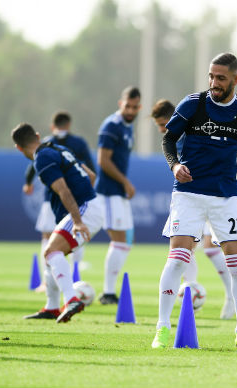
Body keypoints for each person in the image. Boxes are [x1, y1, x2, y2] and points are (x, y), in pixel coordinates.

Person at [152, 53, 237, 350]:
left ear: (236, 80)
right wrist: (174, 166)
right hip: (188, 194)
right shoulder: (193, 104)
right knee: (178, 259)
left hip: (224, 197)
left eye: (221, 78)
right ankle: (162, 327)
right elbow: (168, 139)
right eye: (211, 76)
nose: (214, 83)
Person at [152, 99, 236, 320]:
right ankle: (190, 288)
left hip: (213, 195)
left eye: (163, 124)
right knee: (187, 249)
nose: (162, 129)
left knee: (210, 248)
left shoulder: (191, 128)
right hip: (190, 198)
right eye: (159, 126)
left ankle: (230, 297)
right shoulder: (175, 137)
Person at [12, 123, 103, 323]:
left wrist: (78, 221)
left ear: (18, 148)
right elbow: (91, 176)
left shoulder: (42, 158)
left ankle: (71, 299)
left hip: (84, 210)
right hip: (89, 206)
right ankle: (52, 307)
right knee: (51, 257)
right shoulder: (59, 149)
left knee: (51, 251)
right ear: (37, 135)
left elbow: (63, 190)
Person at [22, 111, 94, 295]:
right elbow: (91, 169)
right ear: (69, 125)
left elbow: (33, 165)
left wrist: (28, 182)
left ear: (52, 126)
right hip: (76, 198)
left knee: (48, 239)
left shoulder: (45, 144)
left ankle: (49, 283)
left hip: (52, 198)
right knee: (74, 235)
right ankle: (74, 277)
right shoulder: (77, 143)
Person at [95, 87, 140, 305]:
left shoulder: (127, 127)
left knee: (125, 241)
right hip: (109, 192)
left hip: (118, 193)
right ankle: (108, 293)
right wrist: (125, 182)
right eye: (127, 106)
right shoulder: (111, 126)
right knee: (120, 241)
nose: (130, 110)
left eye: (134, 107)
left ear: (139, 107)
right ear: (120, 103)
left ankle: (108, 291)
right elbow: (103, 160)